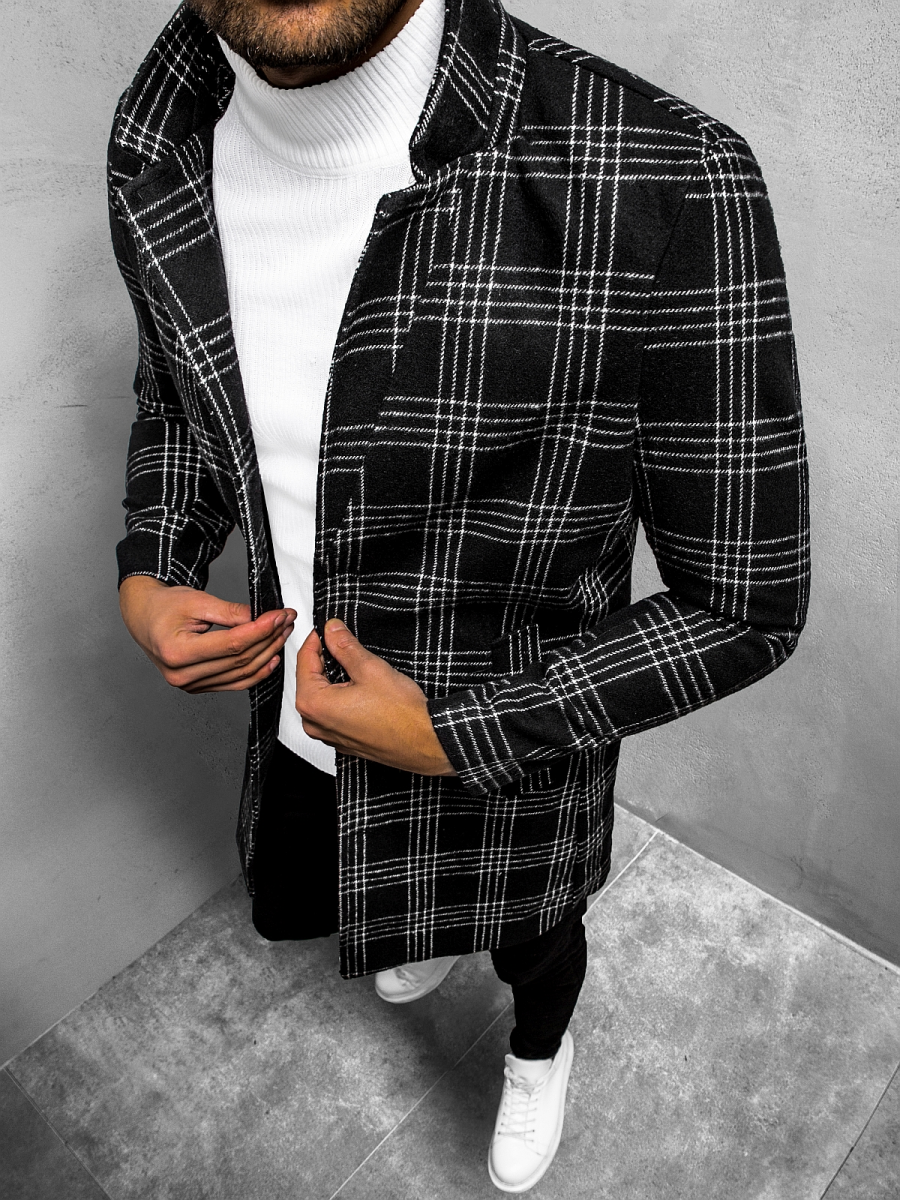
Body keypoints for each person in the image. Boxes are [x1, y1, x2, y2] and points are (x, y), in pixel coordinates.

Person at [109, 0, 810, 1189]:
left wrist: (461, 730)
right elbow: (177, 392)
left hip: (517, 748)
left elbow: (747, 602)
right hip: (301, 711)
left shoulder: (666, 174)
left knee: (534, 943)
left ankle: (539, 1051)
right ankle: (423, 929)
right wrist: (153, 563)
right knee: (365, 893)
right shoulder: (159, 129)